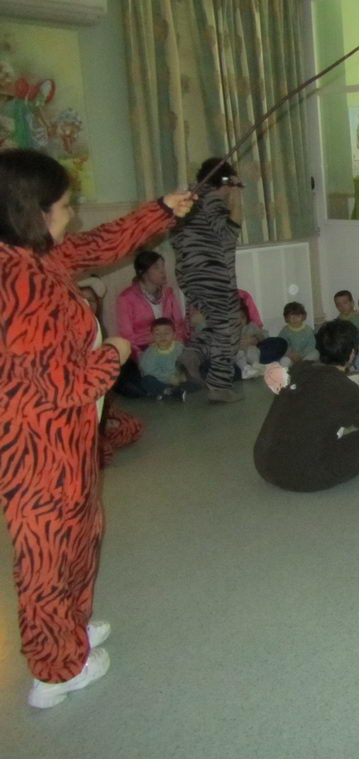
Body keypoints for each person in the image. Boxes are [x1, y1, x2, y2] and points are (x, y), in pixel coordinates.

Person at [0, 147, 194, 708]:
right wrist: (114, 348)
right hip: (33, 446)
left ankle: (71, 632)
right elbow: (65, 384)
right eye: (63, 207)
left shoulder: (36, 257)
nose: (72, 216)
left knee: (81, 533)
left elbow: (95, 246)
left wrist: (161, 210)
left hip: (68, 436)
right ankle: (54, 671)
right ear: (30, 212)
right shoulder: (19, 286)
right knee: (45, 555)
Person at [253, 320, 359, 492]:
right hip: (300, 476)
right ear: (352, 353)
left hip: (264, 463)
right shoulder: (343, 388)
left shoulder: (300, 368)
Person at [171, 157, 244, 403]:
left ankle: (191, 355)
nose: (232, 189)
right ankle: (219, 385)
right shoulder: (212, 200)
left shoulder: (188, 200)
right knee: (228, 327)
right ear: (224, 182)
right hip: (212, 274)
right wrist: (236, 201)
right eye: (231, 183)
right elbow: (228, 234)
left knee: (217, 324)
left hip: (189, 274)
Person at [79, 276, 144, 466]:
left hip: (101, 404)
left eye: (90, 300)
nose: (85, 304)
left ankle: (98, 438)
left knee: (132, 427)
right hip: (79, 406)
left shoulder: (100, 331)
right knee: (102, 453)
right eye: (80, 300)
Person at [116, 249, 188, 360]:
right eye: (156, 267)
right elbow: (127, 338)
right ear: (143, 272)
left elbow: (179, 325)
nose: (163, 271)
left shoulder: (168, 293)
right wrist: (154, 342)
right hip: (144, 353)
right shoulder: (126, 298)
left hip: (172, 349)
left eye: (163, 266)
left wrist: (178, 346)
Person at [138, 318, 191, 400]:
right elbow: (149, 370)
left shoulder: (179, 347)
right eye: (157, 334)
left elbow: (186, 361)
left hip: (179, 379)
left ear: (174, 335)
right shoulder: (150, 353)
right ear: (152, 336)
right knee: (147, 381)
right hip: (161, 380)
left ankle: (169, 393)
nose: (162, 336)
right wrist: (168, 378)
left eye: (166, 333)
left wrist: (182, 375)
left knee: (196, 375)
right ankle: (169, 392)